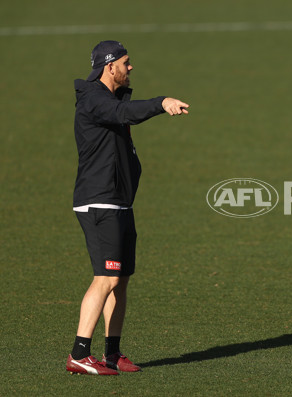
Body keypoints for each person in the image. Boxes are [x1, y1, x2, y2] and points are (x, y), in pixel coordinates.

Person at [67, 40, 190, 375]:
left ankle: (112, 353)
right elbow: (123, 114)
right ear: (110, 67)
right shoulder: (95, 100)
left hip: (119, 201)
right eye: (126, 62)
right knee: (105, 276)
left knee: (119, 279)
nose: (130, 67)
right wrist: (160, 102)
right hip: (99, 201)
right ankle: (79, 353)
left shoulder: (108, 99)